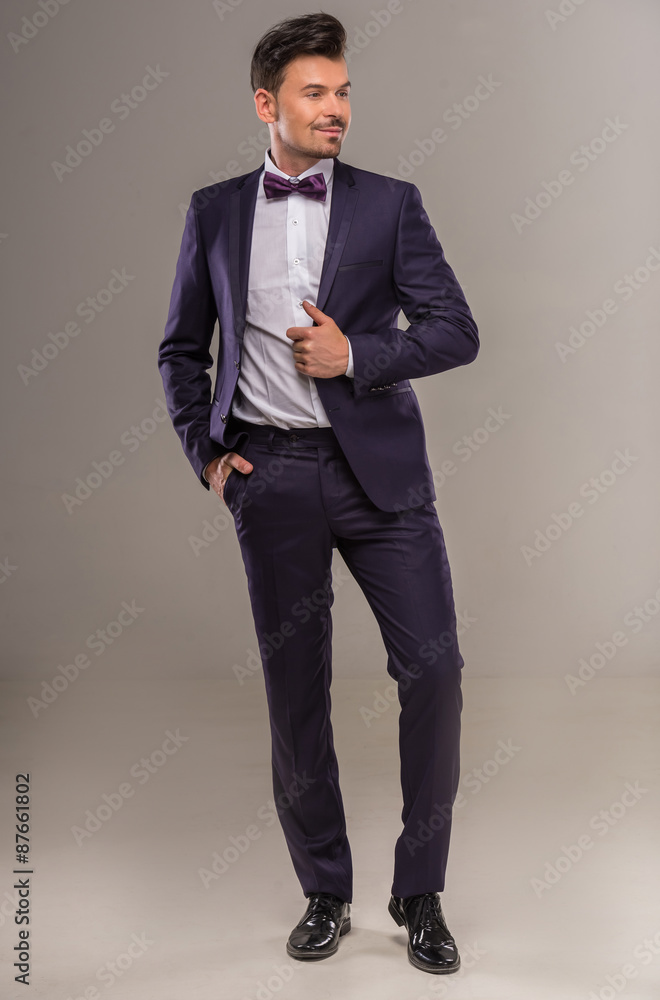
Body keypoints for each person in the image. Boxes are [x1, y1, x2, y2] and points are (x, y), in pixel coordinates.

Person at [158, 11, 479, 975]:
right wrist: (209, 457)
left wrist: (359, 354)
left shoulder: (391, 204)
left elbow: (456, 329)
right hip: (273, 479)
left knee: (434, 672)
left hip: (383, 481)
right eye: (315, 92)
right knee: (296, 692)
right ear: (268, 103)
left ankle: (421, 891)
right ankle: (324, 890)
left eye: (342, 92)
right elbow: (181, 350)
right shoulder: (215, 212)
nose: (335, 108)